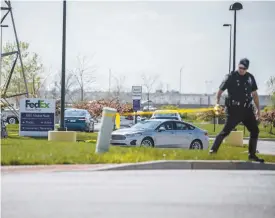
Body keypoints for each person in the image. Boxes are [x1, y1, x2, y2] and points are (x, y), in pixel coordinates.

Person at [209, 58, 264, 163]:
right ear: (238, 66)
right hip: (233, 110)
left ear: (247, 68)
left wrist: (258, 109)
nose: (242, 70)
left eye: (244, 68)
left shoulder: (250, 78)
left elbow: (255, 95)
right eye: (240, 67)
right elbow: (220, 91)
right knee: (225, 131)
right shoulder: (231, 77)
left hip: (247, 110)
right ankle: (213, 150)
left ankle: (252, 155)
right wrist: (217, 103)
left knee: (255, 130)